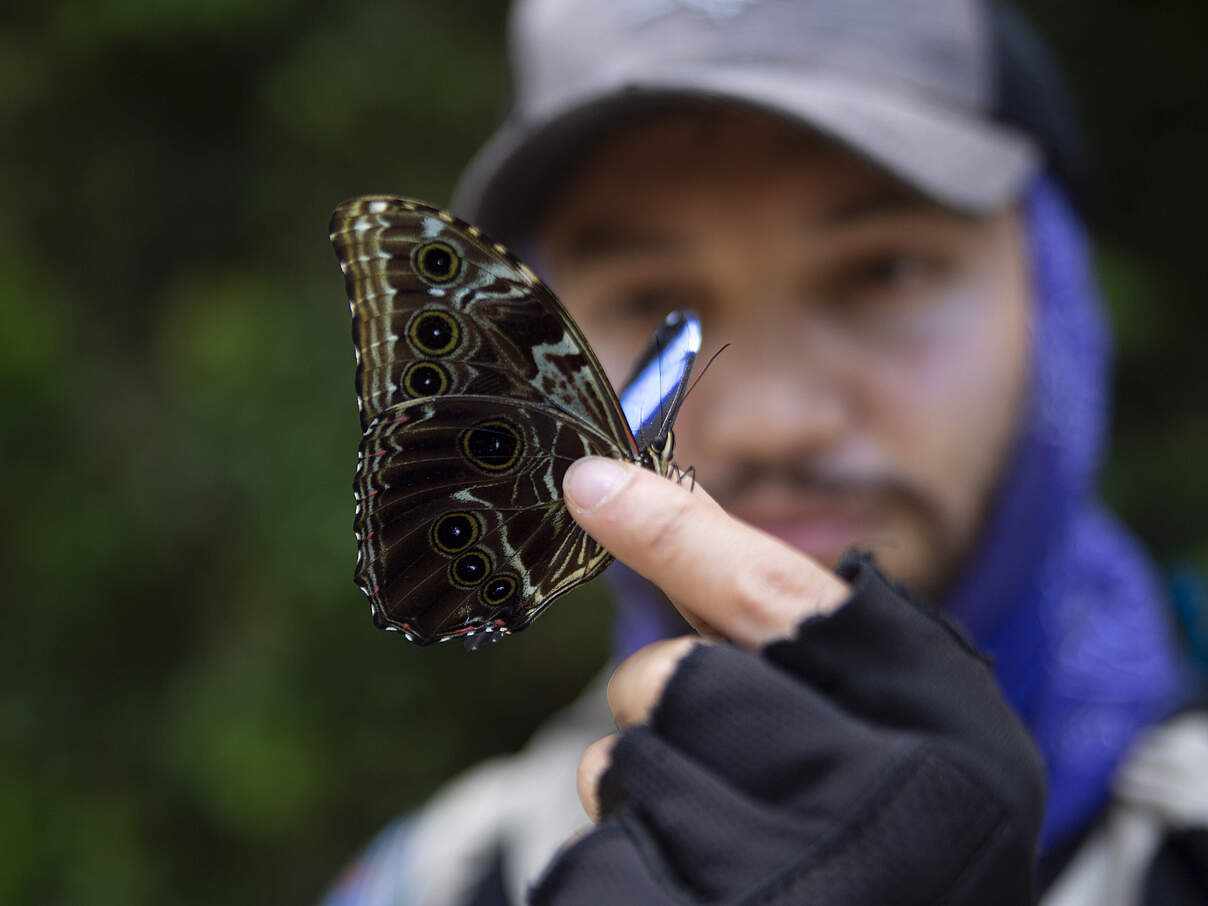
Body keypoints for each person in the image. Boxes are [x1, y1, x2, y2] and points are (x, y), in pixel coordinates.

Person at [323, 1, 1208, 903]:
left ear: (1057, 303)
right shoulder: (447, 877)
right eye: (649, 299)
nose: (769, 425)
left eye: (884, 271)